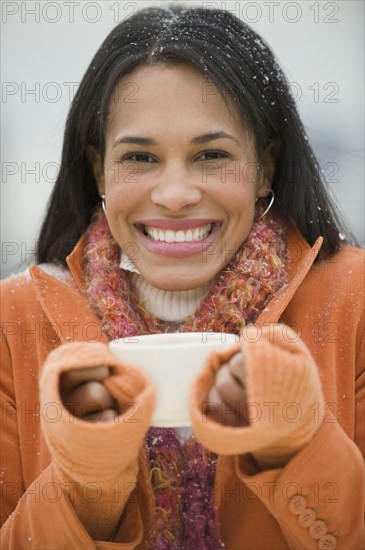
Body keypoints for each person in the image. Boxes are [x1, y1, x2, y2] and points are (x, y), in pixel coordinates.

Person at [0, 4, 363, 549]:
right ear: (99, 168)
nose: (174, 195)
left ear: (265, 165)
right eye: (140, 158)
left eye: (212, 155)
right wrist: (87, 487)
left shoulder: (354, 304)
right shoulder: (12, 322)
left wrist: (298, 446)